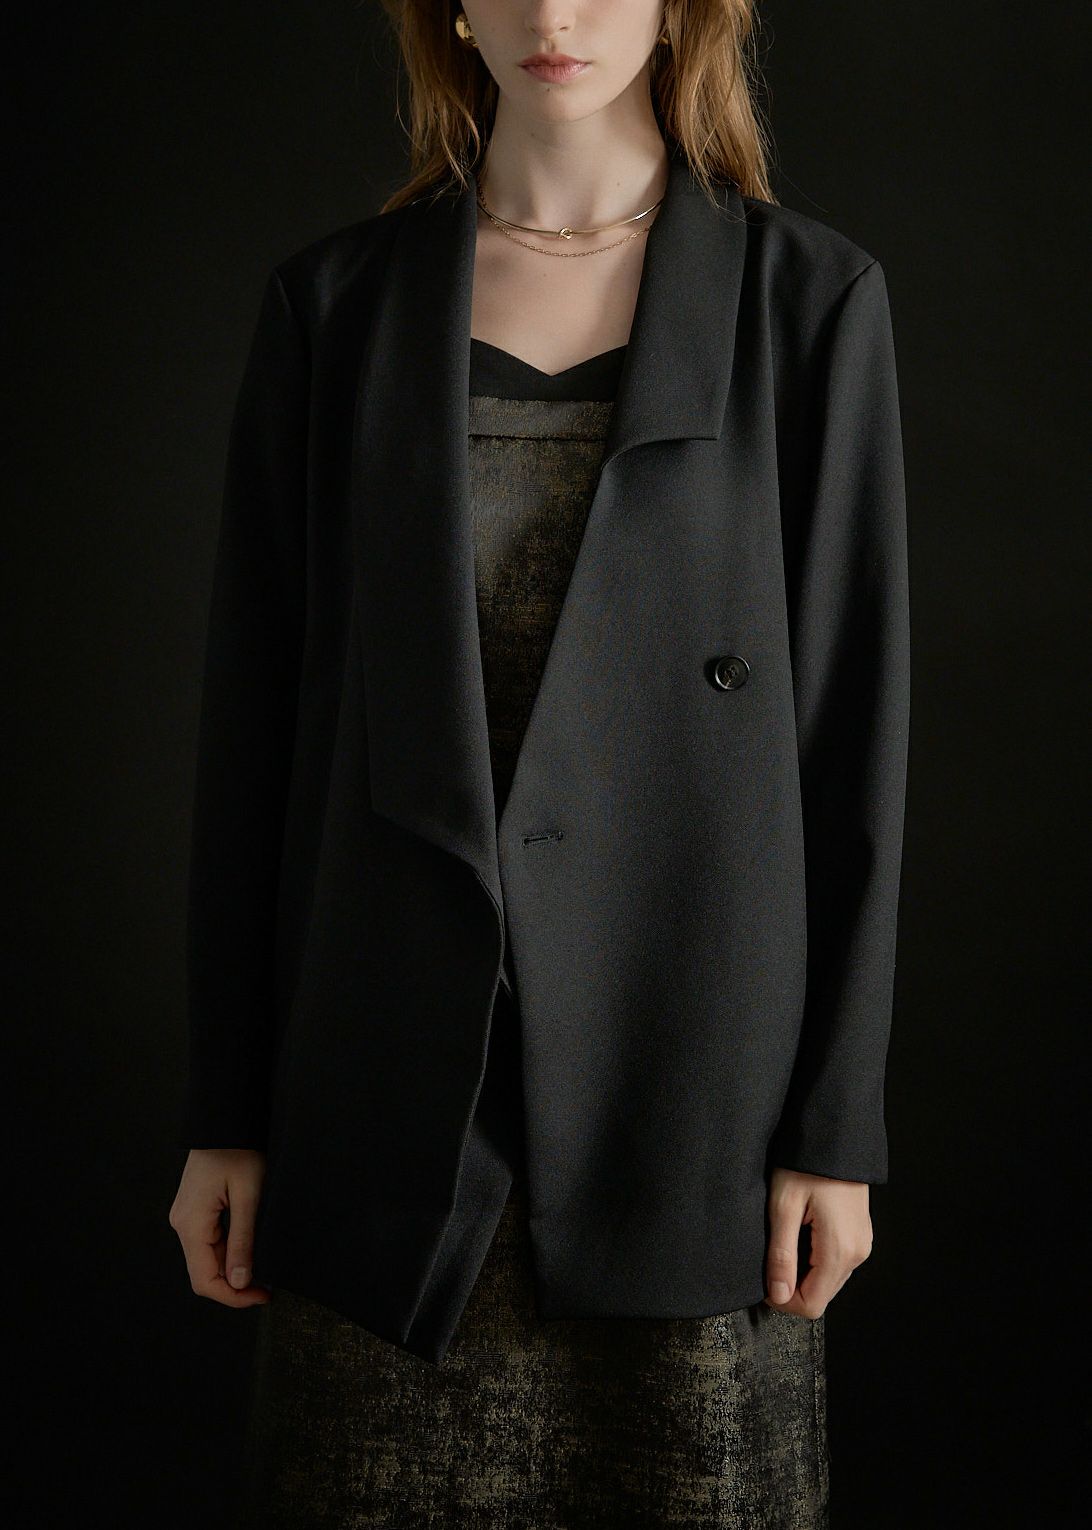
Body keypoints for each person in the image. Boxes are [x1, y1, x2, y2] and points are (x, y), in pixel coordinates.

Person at [168, 2, 910, 1524]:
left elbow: (851, 746)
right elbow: (255, 740)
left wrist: (834, 1132)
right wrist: (227, 1112)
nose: (555, 14)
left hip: (690, 1076)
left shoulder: (806, 300)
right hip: (384, 1090)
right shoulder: (339, 306)